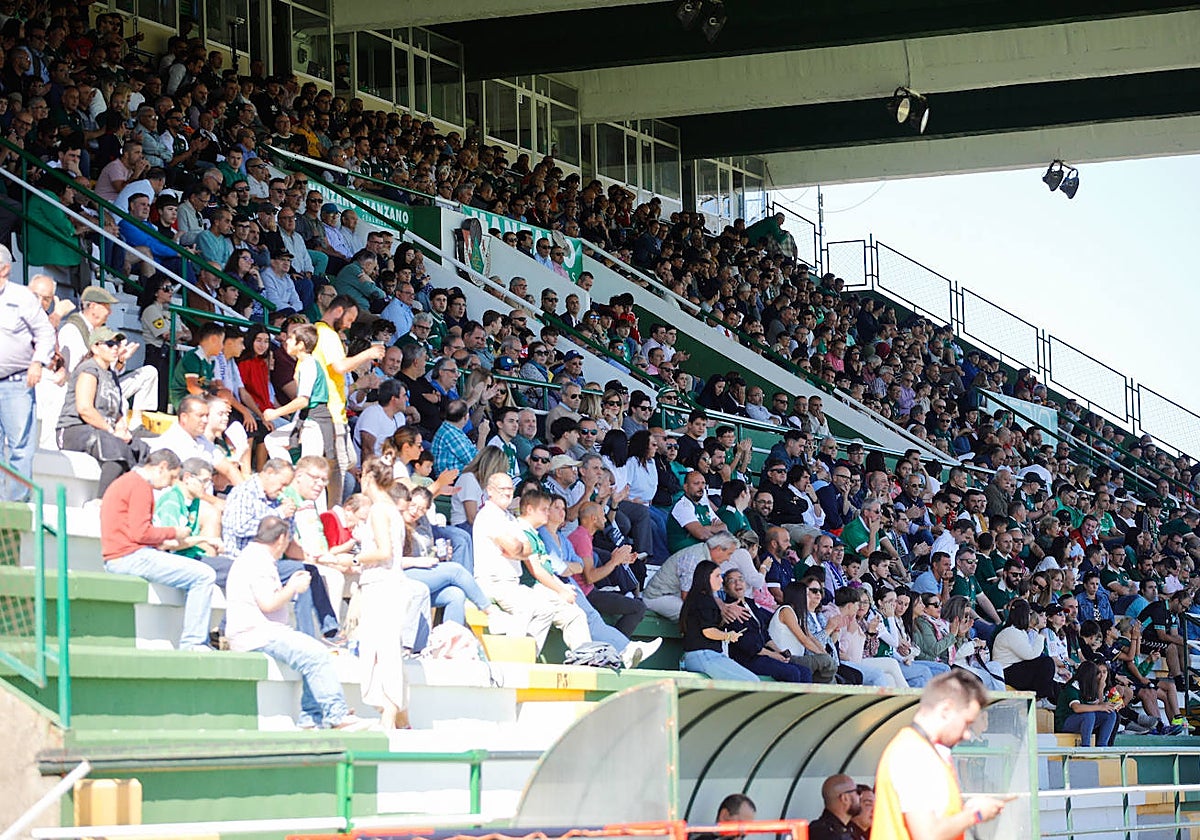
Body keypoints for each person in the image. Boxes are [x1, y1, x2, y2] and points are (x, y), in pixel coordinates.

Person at [225, 516, 373, 731]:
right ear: (282, 539)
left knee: (313, 652)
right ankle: (336, 714)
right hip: (257, 634)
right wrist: (293, 586)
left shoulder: (254, 557)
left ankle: (311, 718)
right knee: (316, 654)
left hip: (258, 632)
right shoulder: (258, 561)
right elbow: (268, 603)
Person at [870, 670, 1011, 840]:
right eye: (966, 723)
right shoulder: (914, 753)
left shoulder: (921, 749)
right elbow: (928, 834)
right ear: (946, 709)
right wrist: (975, 814)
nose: (967, 734)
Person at [100, 449, 216, 651]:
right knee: (204, 575)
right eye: (171, 477)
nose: (171, 483)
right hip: (129, 556)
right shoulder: (139, 486)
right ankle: (193, 643)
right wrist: (175, 532)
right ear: (162, 467)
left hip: (121, 554)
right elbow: (141, 533)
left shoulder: (126, 482)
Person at [56, 326, 148, 497]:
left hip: (104, 431)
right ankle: (101, 502)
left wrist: (122, 429)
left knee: (140, 449)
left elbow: (117, 411)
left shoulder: (111, 375)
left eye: (117, 344)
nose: (115, 348)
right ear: (95, 347)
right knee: (115, 450)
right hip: (74, 429)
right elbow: (84, 409)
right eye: (110, 343)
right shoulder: (88, 369)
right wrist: (112, 431)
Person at [0, 245, 55, 499]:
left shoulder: (22, 297)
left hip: (16, 381)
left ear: (4, 269)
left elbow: (45, 333)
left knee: (21, 446)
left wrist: (37, 363)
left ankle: (16, 505)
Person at [679, 559, 759, 682]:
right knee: (751, 682)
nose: (721, 580)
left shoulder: (696, 598)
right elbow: (708, 631)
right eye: (717, 576)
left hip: (699, 656)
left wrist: (725, 617)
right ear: (706, 578)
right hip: (703, 654)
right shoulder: (705, 600)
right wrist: (728, 636)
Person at [1054, 660, 1119, 747]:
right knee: (1089, 715)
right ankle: (1086, 747)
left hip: (1082, 720)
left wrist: (1101, 691)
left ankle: (1102, 747)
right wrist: (1100, 707)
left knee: (1110, 714)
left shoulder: (1087, 686)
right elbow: (1076, 708)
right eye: (1097, 674)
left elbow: (1097, 704)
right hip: (1065, 722)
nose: (1100, 677)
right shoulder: (1072, 686)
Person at [810, 774, 863, 840]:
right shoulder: (824, 834)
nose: (860, 796)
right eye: (858, 791)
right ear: (845, 798)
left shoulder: (851, 830)